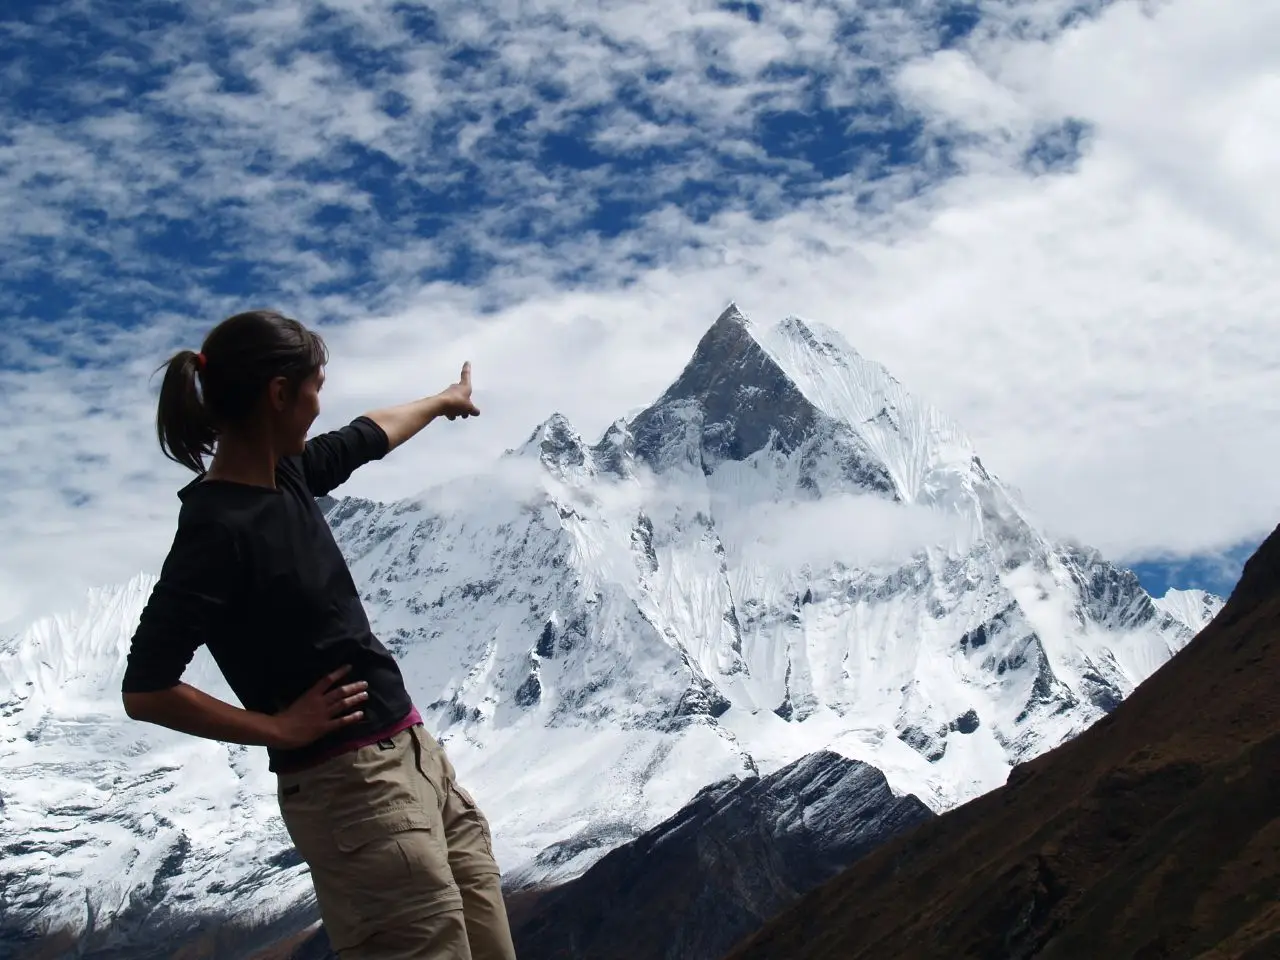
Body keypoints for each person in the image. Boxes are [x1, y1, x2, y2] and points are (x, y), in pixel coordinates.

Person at [120, 309, 517, 960]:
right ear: (279, 394)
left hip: (414, 756)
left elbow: (371, 435)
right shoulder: (216, 531)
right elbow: (146, 688)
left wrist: (444, 401)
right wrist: (277, 729)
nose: (319, 404)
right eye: (315, 387)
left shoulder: (288, 476)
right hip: (352, 792)